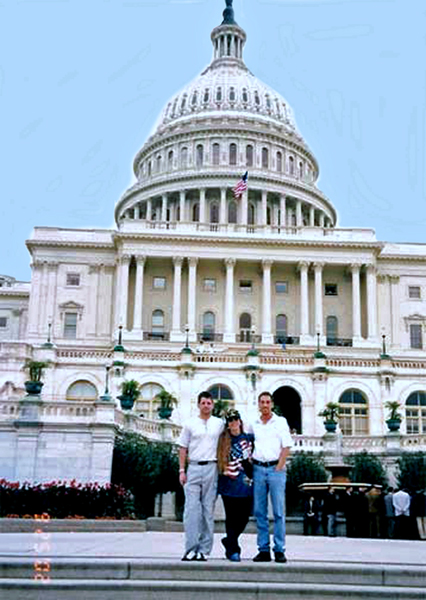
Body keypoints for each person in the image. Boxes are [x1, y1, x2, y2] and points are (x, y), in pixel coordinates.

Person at [178, 390, 224, 561]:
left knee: (207, 511)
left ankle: (204, 550)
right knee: (191, 510)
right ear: (198, 405)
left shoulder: (219, 423)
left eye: (209, 403)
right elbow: (182, 447)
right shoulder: (190, 424)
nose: (206, 405)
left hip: (212, 468)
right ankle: (190, 548)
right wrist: (182, 470)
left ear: (213, 405)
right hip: (194, 468)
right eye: (203, 403)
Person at [248, 391, 293, 563]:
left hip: (276, 468)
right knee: (260, 511)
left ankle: (279, 549)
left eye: (268, 402)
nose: (265, 405)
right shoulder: (254, 423)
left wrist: (279, 468)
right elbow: (248, 441)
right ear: (259, 405)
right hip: (258, 469)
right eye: (262, 402)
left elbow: (286, 446)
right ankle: (263, 549)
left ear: (272, 404)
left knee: (279, 511)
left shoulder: (280, 422)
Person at [217, 409, 254, 562]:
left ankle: (229, 541)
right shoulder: (223, 441)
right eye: (230, 420)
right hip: (229, 484)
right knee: (231, 518)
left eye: (235, 419)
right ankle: (233, 550)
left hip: (247, 484)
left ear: (240, 421)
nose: (233, 423)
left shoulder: (250, 438)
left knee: (244, 518)